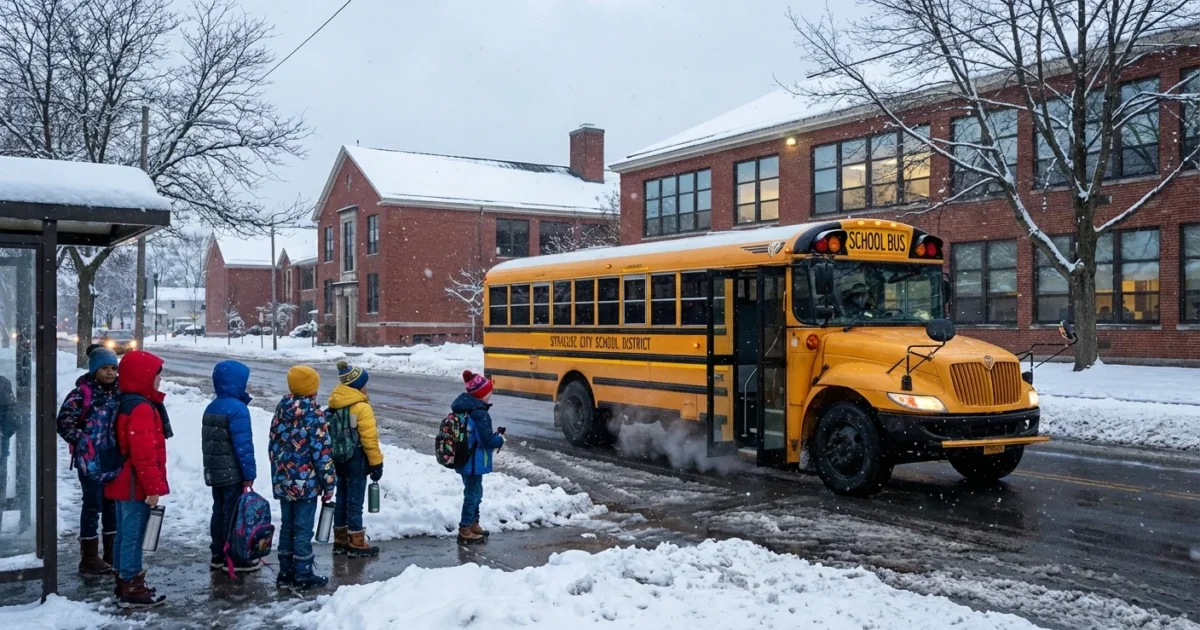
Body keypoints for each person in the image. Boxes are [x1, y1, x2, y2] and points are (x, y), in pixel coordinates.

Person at [105, 350, 171, 608]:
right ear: (143, 376)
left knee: (124, 532)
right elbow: (144, 455)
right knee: (134, 534)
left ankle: (123, 579)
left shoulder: (125, 401)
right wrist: (152, 489)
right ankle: (131, 584)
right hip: (135, 484)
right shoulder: (142, 408)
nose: (159, 381)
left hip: (122, 481)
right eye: (156, 376)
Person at [55, 345, 120, 575]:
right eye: (105, 368)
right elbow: (63, 423)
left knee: (112, 503)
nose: (111, 373)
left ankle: (112, 552)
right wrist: (83, 442)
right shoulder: (81, 394)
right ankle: (89, 557)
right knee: (92, 505)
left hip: (112, 457)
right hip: (90, 461)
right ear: (94, 370)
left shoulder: (118, 392)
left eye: (113, 368)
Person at [269, 366, 336, 589]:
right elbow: (322, 452)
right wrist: (328, 483)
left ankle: (285, 572)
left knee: (287, 526)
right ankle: (303, 573)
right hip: (306, 483)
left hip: (284, 480)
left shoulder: (281, 409)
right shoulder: (314, 414)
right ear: (311, 389)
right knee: (303, 527)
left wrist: (280, 473)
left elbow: (273, 445)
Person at [201, 360, 259, 572]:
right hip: (233, 473)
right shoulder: (237, 409)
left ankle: (217, 553)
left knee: (219, 512)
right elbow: (243, 445)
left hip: (216, 472)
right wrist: (249, 474)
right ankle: (232, 556)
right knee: (233, 514)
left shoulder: (212, 406)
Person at [327, 360, 382, 558]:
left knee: (341, 498)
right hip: (357, 459)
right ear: (358, 385)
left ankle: (340, 540)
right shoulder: (361, 407)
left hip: (338, 458)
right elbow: (369, 439)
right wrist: (376, 463)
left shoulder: (335, 403)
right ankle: (356, 542)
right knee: (355, 502)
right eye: (365, 383)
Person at [452, 371, 505, 545]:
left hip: (463, 458)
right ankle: (465, 529)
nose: (490, 395)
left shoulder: (464, 408)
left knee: (474, 492)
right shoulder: (479, 413)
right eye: (488, 392)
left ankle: (474, 524)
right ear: (481, 394)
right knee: (473, 494)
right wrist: (499, 439)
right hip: (473, 461)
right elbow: (486, 440)